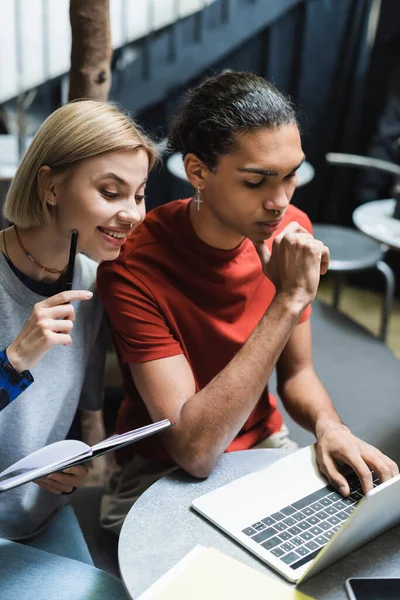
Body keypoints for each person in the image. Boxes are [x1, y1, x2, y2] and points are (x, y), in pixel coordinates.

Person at [97, 71, 398, 535]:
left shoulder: (292, 230)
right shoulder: (134, 267)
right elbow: (193, 450)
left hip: (261, 445)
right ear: (198, 172)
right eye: (256, 181)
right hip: (160, 472)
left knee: (337, 547)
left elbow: (297, 374)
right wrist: (288, 299)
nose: (279, 202)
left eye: (290, 176)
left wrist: (328, 425)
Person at [0, 99, 156, 597]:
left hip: (40, 516)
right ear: (50, 186)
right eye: (111, 192)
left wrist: (74, 461)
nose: (132, 214)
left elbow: (67, 406)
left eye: (140, 194)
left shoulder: (92, 279)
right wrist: (14, 359)